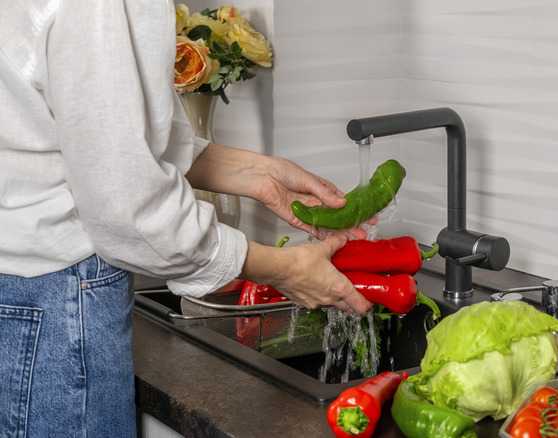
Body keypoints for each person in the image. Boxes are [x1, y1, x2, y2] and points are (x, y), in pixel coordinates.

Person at [0, 1, 372, 436]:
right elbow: (128, 206)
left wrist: (260, 174)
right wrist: (284, 268)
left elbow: (98, 132)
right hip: (58, 306)